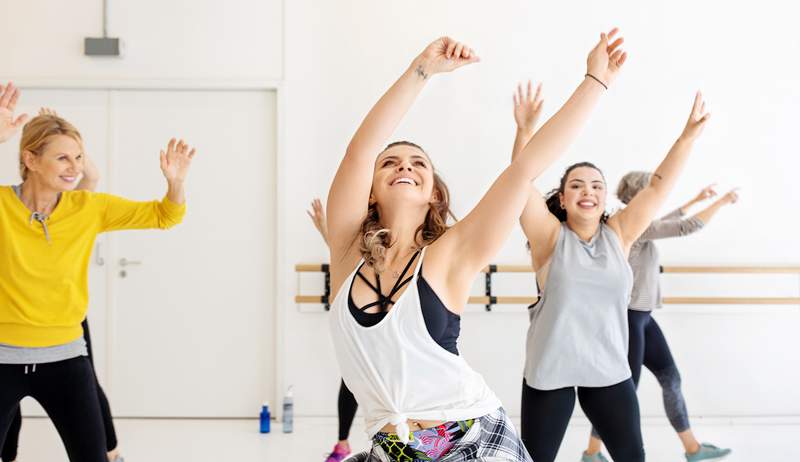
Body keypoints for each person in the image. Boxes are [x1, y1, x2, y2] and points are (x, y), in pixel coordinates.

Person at [326, 30, 626, 461]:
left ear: (433, 192)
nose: (404, 166)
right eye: (390, 163)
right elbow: (359, 151)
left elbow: (525, 168)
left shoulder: (450, 252)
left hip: (472, 439)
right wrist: (421, 70)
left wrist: (595, 81)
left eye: (418, 163)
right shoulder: (346, 252)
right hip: (396, 448)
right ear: (370, 190)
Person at [516, 76, 711, 461]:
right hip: (549, 373)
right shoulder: (548, 239)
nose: (587, 190)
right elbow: (520, 182)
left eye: (595, 185)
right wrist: (524, 132)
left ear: (605, 197)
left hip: (607, 371)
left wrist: (686, 138)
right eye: (576, 185)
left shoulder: (619, 234)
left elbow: (657, 188)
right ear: (562, 198)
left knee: (631, 456)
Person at [0, 83, 196, 462]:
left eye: (79, 157)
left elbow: (165, 215)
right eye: (63, 159)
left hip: (66, 361)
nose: (75, 168)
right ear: (31, 159)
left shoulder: (88, 208)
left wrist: (176, 184)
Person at [580, 179, 736, 462]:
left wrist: (697, 198)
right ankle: (591, 453)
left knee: (671, 379)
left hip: (643, 318)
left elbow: (666, 220)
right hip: (629, 319)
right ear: (640, 198)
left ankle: (693, 449)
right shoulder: (634, 226)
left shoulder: (640, 225)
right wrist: (722, 202)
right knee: (624, 392)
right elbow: (688, 227)